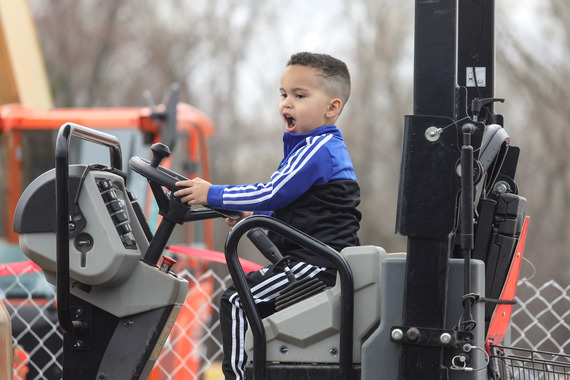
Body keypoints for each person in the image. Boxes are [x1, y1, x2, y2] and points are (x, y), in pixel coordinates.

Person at [174, 51, 361, 380]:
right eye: (283, 94)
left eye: (299, 96)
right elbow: (288, 203)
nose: (287, 103)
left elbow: (273, 191)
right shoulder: (307, 148)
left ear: (332, 107)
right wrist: (249, 211)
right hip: (309, 258)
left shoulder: (319, 149)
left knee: (235, 300)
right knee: (245, 299)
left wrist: (212, 193)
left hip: (318, 263)